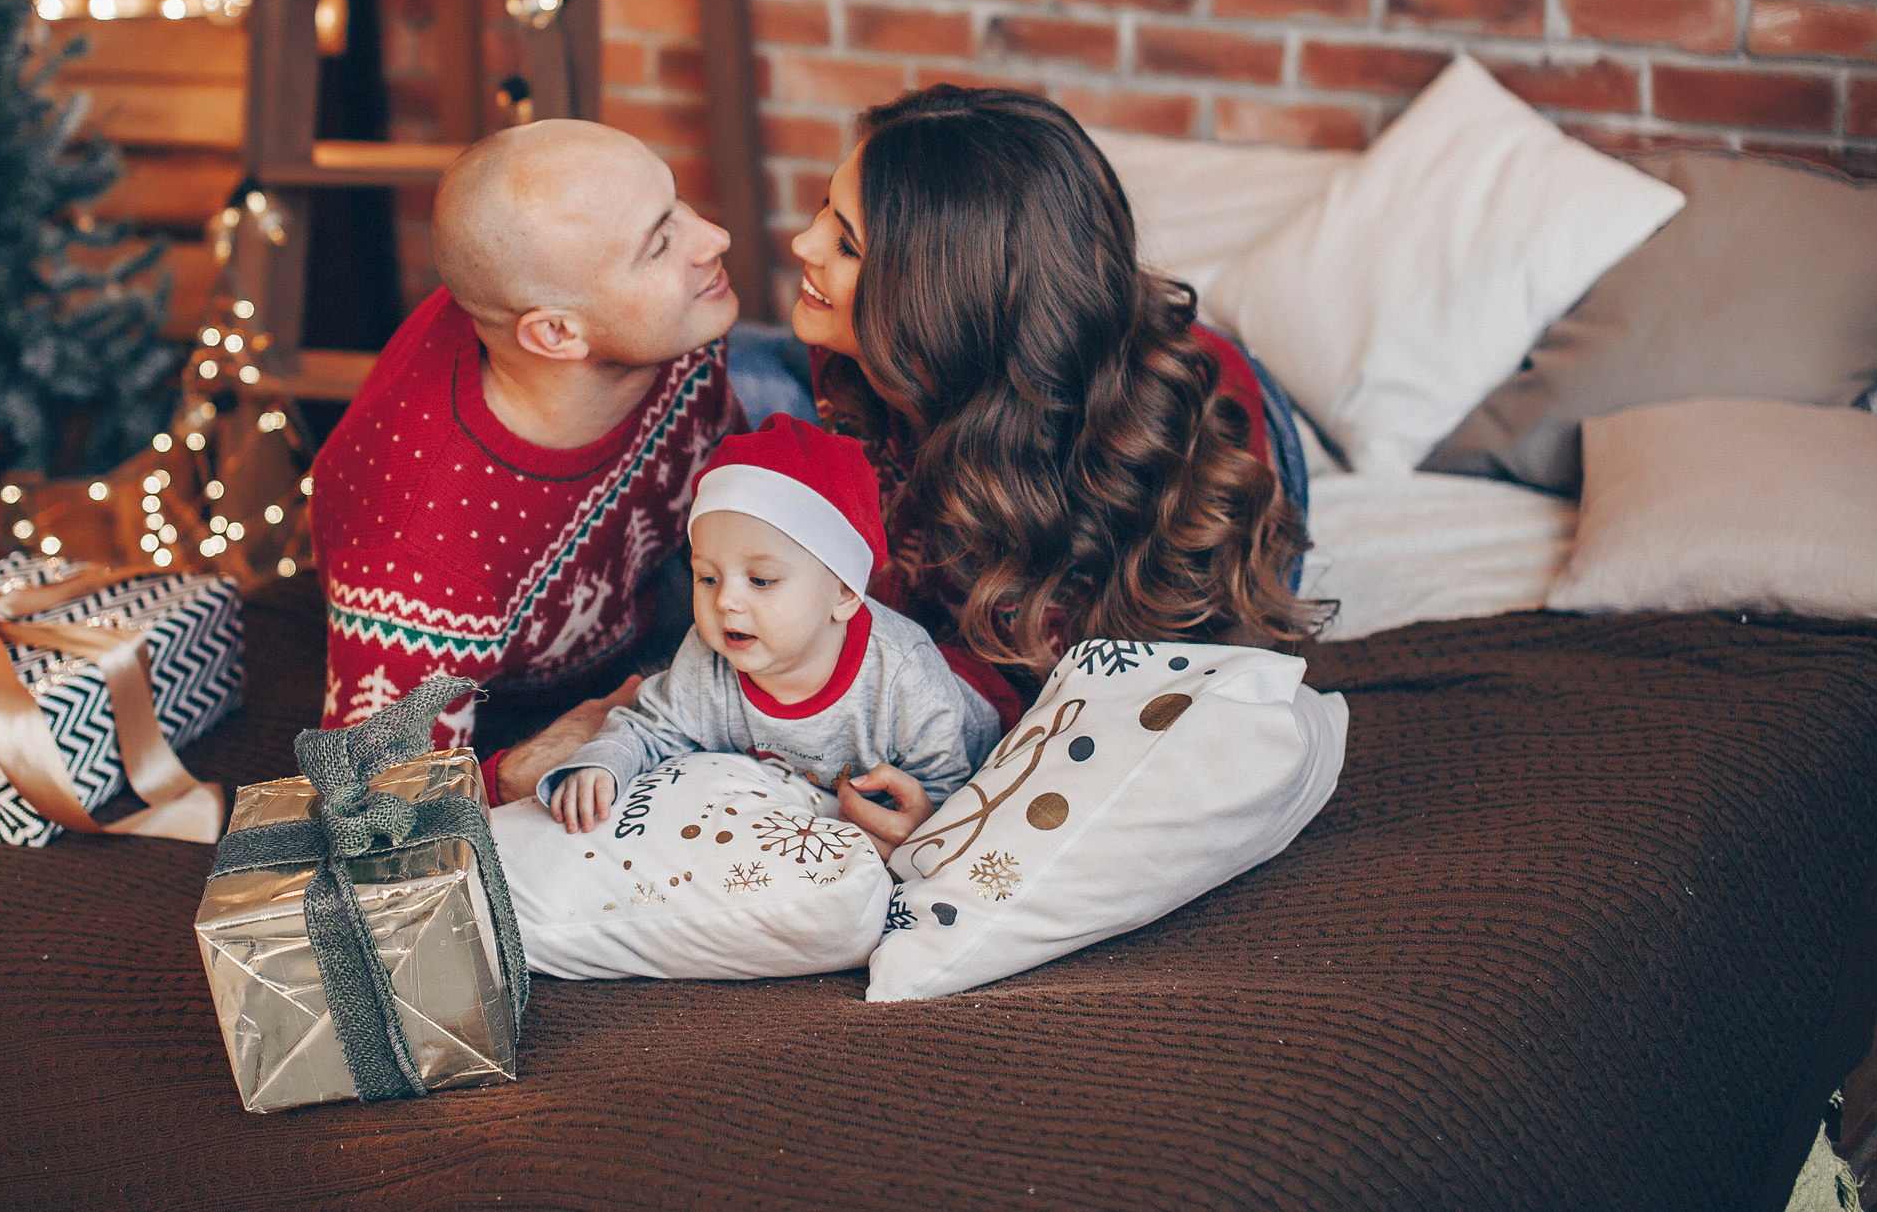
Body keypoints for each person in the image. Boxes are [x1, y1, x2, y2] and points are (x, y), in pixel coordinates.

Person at [789, 85, 1317, 706]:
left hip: (1207, 424)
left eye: (847, 244)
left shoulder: (1104, 493)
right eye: (826, 208)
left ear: (935, 308)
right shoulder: (847, 349)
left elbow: (1096, 704)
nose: (804, 244)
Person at [308, 120, 746, 797]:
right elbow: (372, 808)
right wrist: (510, 774)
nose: (711, 237)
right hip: (517, 703)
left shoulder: (671, 321)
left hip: (669, 598)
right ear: (556, 333)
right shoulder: (423, 561)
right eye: (660, 243)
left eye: (677, 202)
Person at [541, 415, 1001, 861]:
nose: (726, 602)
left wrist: (920, 822)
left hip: (981, 696)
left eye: (760, 580)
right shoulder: (708, 658)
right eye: (707, 578)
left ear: (842, 594)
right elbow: (654, 727)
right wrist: (601, 763)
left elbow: (946, 786)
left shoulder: (904, 676)